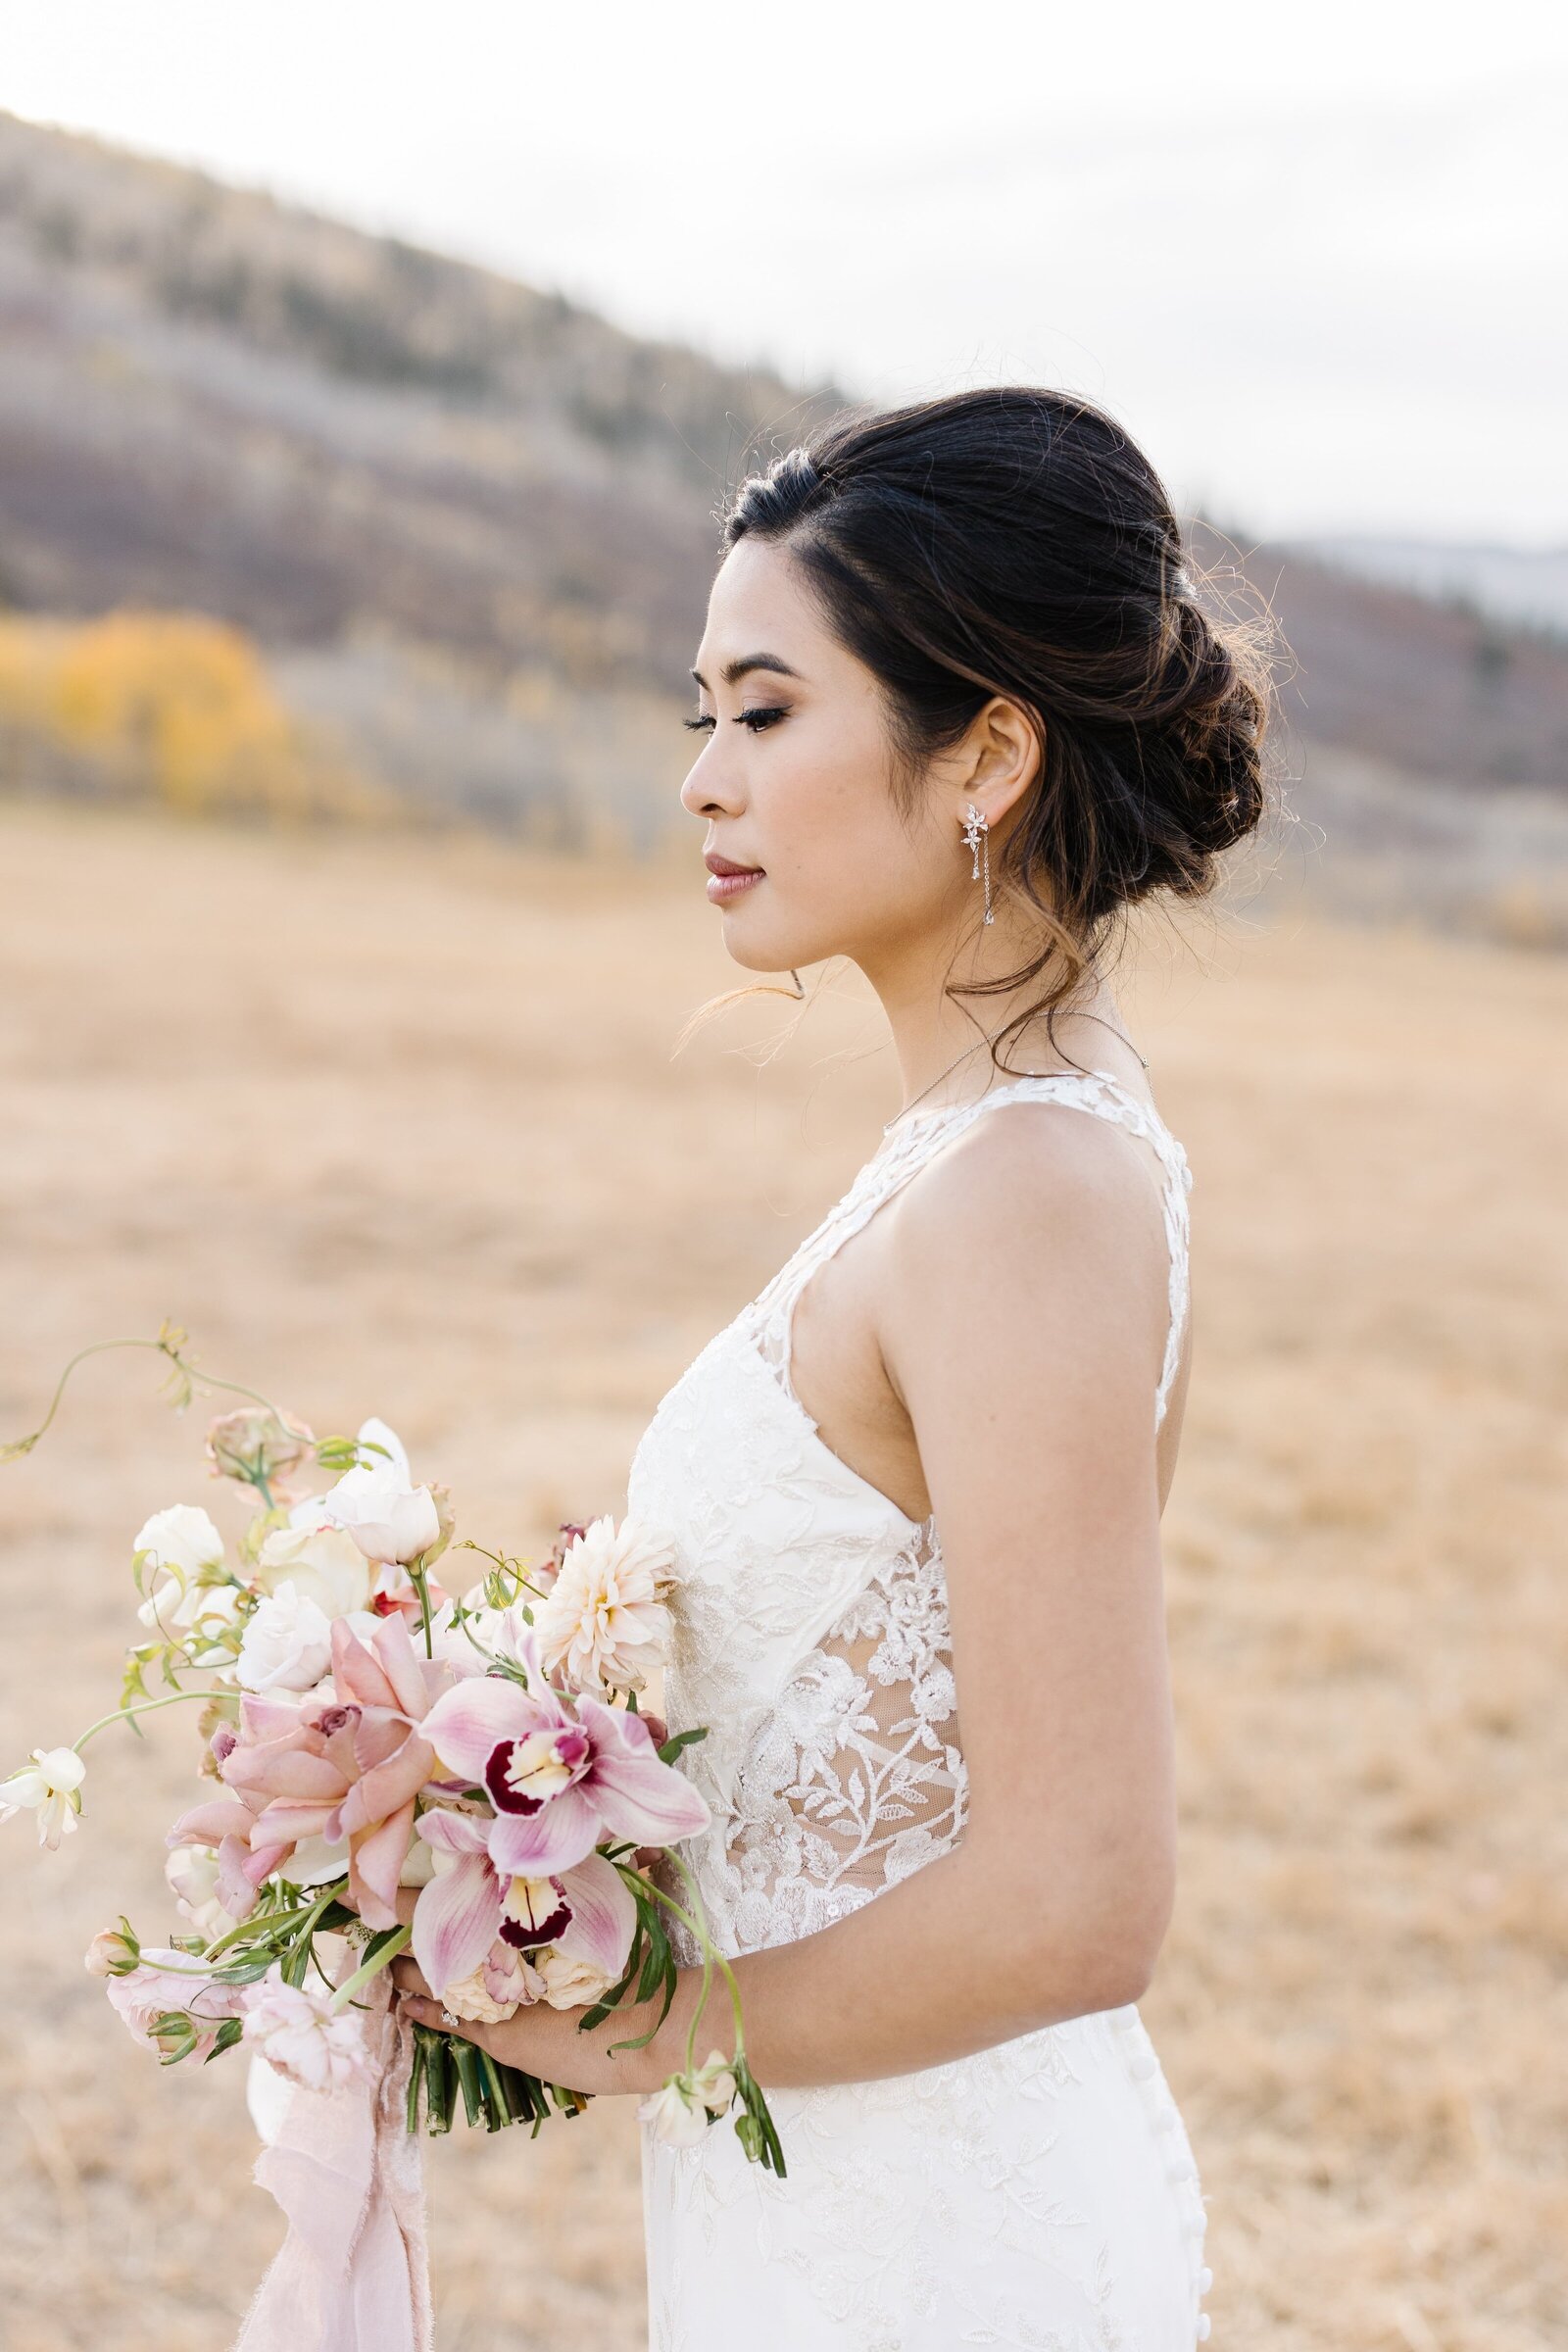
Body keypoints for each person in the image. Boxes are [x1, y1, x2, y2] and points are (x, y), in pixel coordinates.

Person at [394, 384, 1277, 2347]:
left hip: (936, 2245)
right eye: (698, 713)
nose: (706, 778)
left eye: (765, 709)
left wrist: (638, 2030)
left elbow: (1078, 1889)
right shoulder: (993, 1153)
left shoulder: (1027, 1189)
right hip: (834, 2197)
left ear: (984, 754)